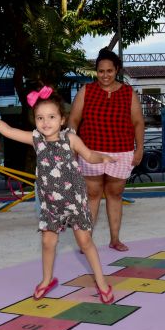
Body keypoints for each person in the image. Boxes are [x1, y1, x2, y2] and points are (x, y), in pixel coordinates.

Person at [0, 87, 117, 303]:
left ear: (62, 119)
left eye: (52, 117)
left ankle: (101, 282)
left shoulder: (70, 139)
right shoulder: (36, 140)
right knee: (47, 243)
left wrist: (102, 158)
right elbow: (7, 130)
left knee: (85, 242)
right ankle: (47, 280)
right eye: (40, 118)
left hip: (74, 200)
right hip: (51, 203)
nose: (46, 122)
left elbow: (89, 155)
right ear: (35, 120)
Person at [68, 47, 145, 252]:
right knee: (92, 195)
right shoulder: (86, 91)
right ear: (96, 72)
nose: (105, 75)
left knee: (115, 194)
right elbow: (74, 120)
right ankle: (87, 242)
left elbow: (138, 122)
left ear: (116, 70)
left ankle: (115, 239)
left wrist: (140, 149)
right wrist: (74, 146)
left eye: (109, 71)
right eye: (101, 71)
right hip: (91, 151)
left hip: (122, 151)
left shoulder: (128, 92)